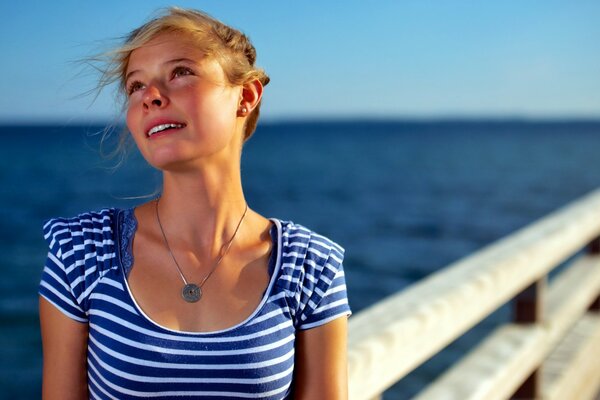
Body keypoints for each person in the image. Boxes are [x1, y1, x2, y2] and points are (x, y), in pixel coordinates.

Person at [38, 7, 351, 400]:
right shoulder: (80, 252)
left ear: (246, 96)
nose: (150, 96)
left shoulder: (310, 267)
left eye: (180, 72)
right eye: (136, 86)